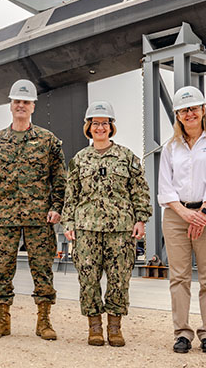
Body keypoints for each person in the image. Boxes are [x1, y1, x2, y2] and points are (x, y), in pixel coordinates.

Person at [0, 79, 66, 340]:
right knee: (1, 268)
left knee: (42, 268)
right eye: (17, 102)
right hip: (4, 218)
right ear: (10, 105)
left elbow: (60, 179)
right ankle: (2, 320)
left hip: (40, 218)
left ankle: (44, 321)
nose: (21, 106)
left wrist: (57, 207)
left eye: (25, 102)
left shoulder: (48, 141)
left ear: (33, 106)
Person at [62, 101, 151, 346]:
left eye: (105, 123)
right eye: (95, 123)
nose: (100, 128)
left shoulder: (126, 157)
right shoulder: (79, 159)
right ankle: (94, 327)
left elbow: (140, 191)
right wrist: (68, 222)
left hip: (120, 230)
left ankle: (114, 327)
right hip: (87, 229)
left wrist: (141, 220)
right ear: (88, 127)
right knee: (88, 279)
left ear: (112, 127)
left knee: (119, 279)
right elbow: (71, 194)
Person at [158, 86, 206, 354]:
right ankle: (183, 333)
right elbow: (165, 185)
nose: (189, 113)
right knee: (179, 277)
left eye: (194, 108)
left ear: (202, 111)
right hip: (176, 215)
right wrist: (184, 213)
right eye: (184, 109)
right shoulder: (171, 147)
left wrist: (201, 213)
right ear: (177, 114)